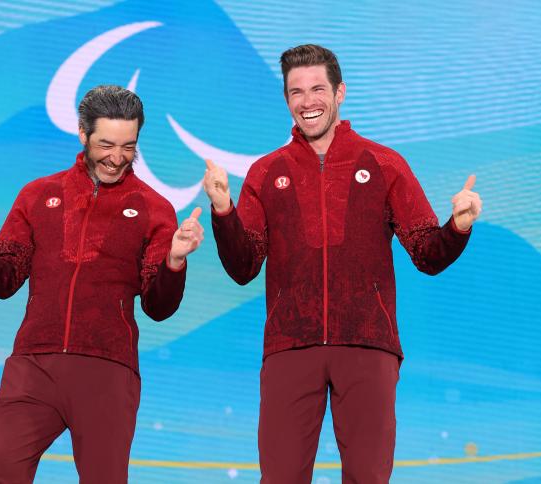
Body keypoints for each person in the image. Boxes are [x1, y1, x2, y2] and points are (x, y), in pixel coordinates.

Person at [203, 44, 482, 483]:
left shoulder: (384, 164)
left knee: (369, 477)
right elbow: (244, 266)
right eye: (296, 91)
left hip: (368, 344)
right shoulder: (264, 172)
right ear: (286, 100)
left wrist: (459, 226)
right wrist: (223, 211)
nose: (307, 101)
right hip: (290, 345)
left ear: (340, 93)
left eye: (318, 88)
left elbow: (427, 253)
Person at [0, 85, 204, 483]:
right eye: (106, 143)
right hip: (33, 366)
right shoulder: (38, 195)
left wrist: (175, 261)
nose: (116, 157)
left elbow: (158, 308)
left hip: (108, 372)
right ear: (82, 133)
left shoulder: (153, 208)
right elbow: (5, 279)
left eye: (129, 146)